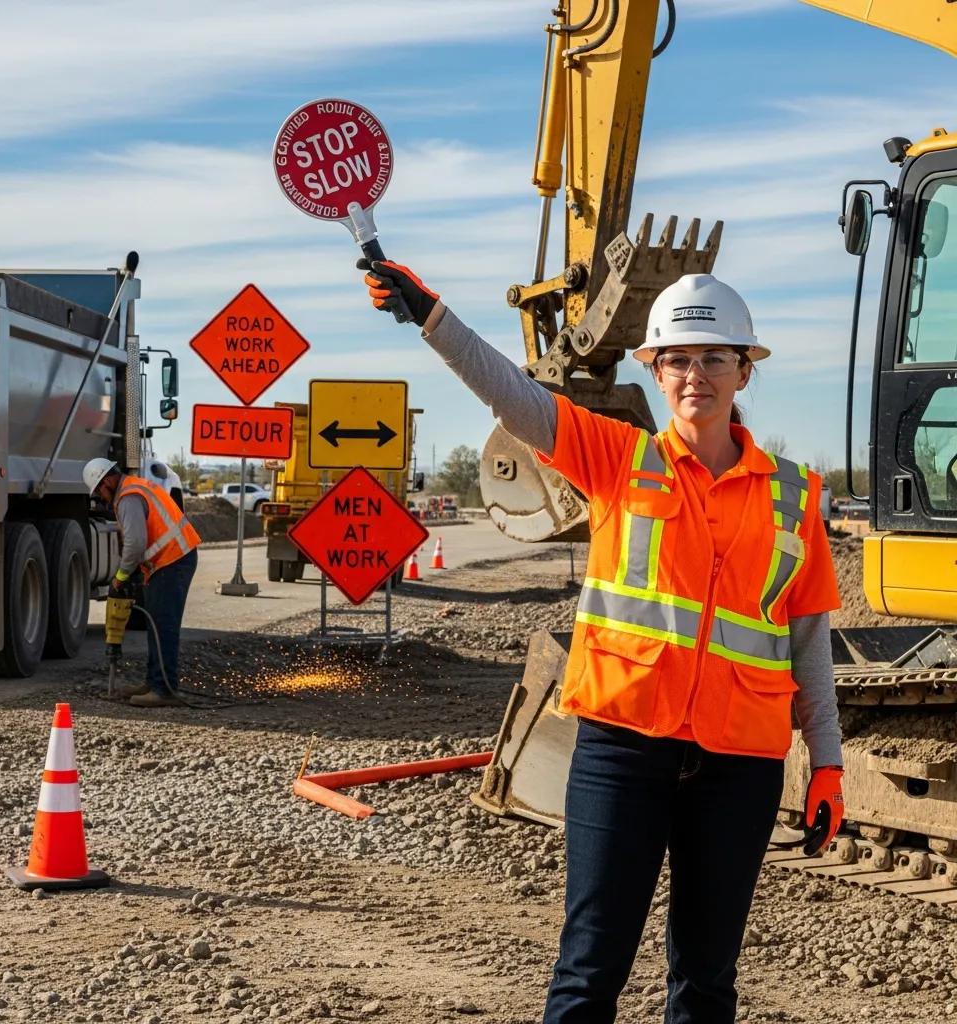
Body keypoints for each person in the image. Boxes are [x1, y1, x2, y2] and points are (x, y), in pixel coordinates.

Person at [359, 262, 845, 1024]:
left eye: (716, 357)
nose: (696, 375)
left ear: (744, 371)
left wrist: (828, 765)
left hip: (740, 766)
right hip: (622, 752)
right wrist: (432, 317)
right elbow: (512, 395)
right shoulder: (619, 459)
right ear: (654, 371)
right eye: (678, 359)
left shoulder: (796, 494)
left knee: (707, 980)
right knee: (590, 972)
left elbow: (807, 639)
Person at [83, 458, 200, 707]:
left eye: (99, 492)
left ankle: (164, 690)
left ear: (107, 481)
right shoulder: (134, 489)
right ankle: (154, 682)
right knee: (156, 623)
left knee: (163, 626)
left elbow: (135, 543)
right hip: (170, 561)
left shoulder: (128, 497)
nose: (101, 499)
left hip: (173, 560)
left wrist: (121, 577)